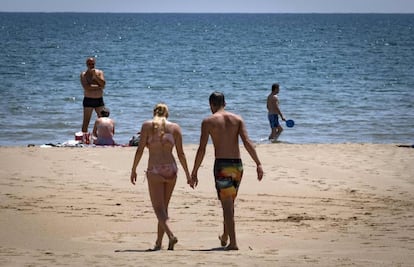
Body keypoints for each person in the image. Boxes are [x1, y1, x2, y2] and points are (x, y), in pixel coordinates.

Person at [190, 92, 263, 250]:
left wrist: (194, 171)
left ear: (211, 104)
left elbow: (202, 149)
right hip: (237, 165)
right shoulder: (237, 119)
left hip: (222, 166)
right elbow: (247, 142)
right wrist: (258, 163)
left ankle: (234, 243)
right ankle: (225, 235)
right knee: (229, 202)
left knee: (227, 204)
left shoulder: (208, 121)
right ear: (225, 103)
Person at [130, 103, 192, 251]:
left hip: (155, 169)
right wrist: (188, 174)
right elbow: (181, 153)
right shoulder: (175, 128)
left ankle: (170, 235)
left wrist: (133, 169)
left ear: (154, 113)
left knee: (158, 208)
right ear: (167, 114)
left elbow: (139, 150)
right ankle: (159, 242)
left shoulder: (147, 126)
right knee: (164, 208)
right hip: (171, 169)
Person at [80, 57, 106, 133]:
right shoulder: (84, 74)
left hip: (99, 100)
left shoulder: (99, 73)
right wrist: (99, 86)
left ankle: (101, 137)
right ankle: (84, 139)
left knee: (103, 121)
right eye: (89, 64)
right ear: (86, 64)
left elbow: (103, 84)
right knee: (86, 122)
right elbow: (87, 87)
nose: (91, 65)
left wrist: (96, 77)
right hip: (88, 100)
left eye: (92, 64)